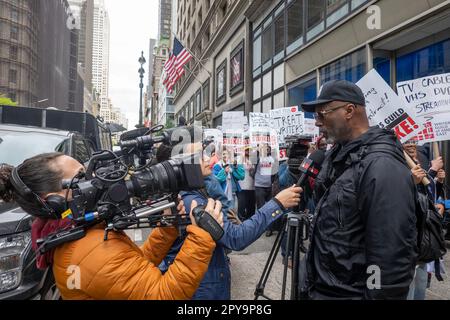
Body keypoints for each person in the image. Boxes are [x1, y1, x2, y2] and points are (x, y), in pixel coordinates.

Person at [0, 153, 224, 300]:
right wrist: (201, 239)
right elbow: (161, 294)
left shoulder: (76, 233)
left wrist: (166, 231)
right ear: (55, 200)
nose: (95, 177)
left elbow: (131, 270)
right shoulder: (85, 250)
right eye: (82, 176)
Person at [300, 79, 417, 300]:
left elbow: (388, 258)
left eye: (322, 114)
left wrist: (375, 296)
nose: (317, 123)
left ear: (349, 111)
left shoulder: (382, 166)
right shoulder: (337, 156)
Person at [160, 126, 303, 300]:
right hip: (202, 291)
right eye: (199, 155)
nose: (207, 158)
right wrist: (277, 203)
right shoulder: (192, 202)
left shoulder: (193, 191)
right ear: (179, 165)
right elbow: (236, 237)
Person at [254, 145, 278, 237]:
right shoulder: (257, 158)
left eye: (268, 148)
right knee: (261, 208)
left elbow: (275, 171)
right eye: (264, 148)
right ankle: (261, 228)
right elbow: (252, 170)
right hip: (259, 186)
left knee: (270, 208)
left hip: (269, 186)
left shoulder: (272, 158)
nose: (266, 150)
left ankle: (269, 228)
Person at [237, 147, 256, 221]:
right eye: (246, 150)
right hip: (242, 187)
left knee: (251, 208)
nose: (248, 152)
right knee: (241, 207)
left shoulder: (254, 159)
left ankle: (250, 224)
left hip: (252, 187)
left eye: (249, 150)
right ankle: (240, 223)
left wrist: (252, 168)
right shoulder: (239, 159)